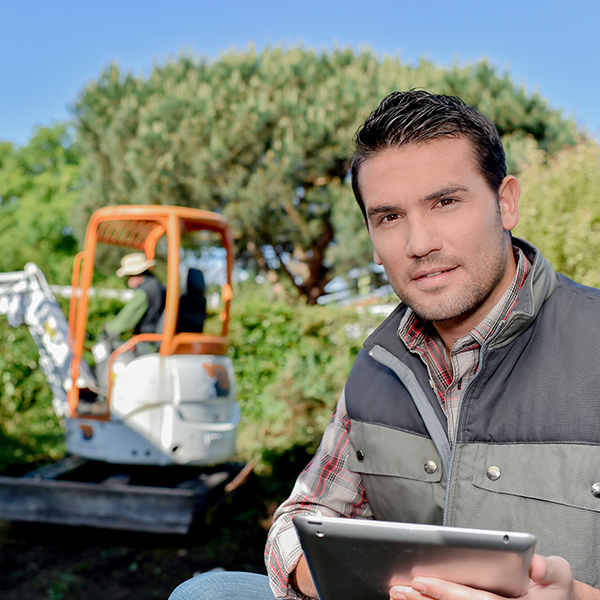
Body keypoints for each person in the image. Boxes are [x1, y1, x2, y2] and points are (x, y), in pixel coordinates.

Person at [169, 91, 600, 600]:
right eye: (390, 217)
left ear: (506, 203)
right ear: (373, 240)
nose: (419, 243)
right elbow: (305, 515)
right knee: (208, 592)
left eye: (445, 202)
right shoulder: (378, 364)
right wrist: (339, 577)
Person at [103, 252, 166, 355]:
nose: (128, 281)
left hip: (147, 344)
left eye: (128, 276)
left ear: (136, 274)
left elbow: (124, 322)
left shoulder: (144, 292)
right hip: (157, 341)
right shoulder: (159, 286)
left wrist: (108, 328)